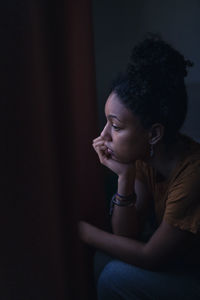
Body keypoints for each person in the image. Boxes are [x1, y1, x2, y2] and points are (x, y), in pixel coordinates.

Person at [78, 34, 200, 299]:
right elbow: (127, 235)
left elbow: (150, 257)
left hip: (194, 277)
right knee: (104, 259)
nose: (104, 135)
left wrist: (83, 232)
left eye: (116, 126)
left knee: (112, 274)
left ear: (153, 134)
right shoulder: (146, 159)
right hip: (180, 266)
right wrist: (125, 176)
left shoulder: (192, 176)